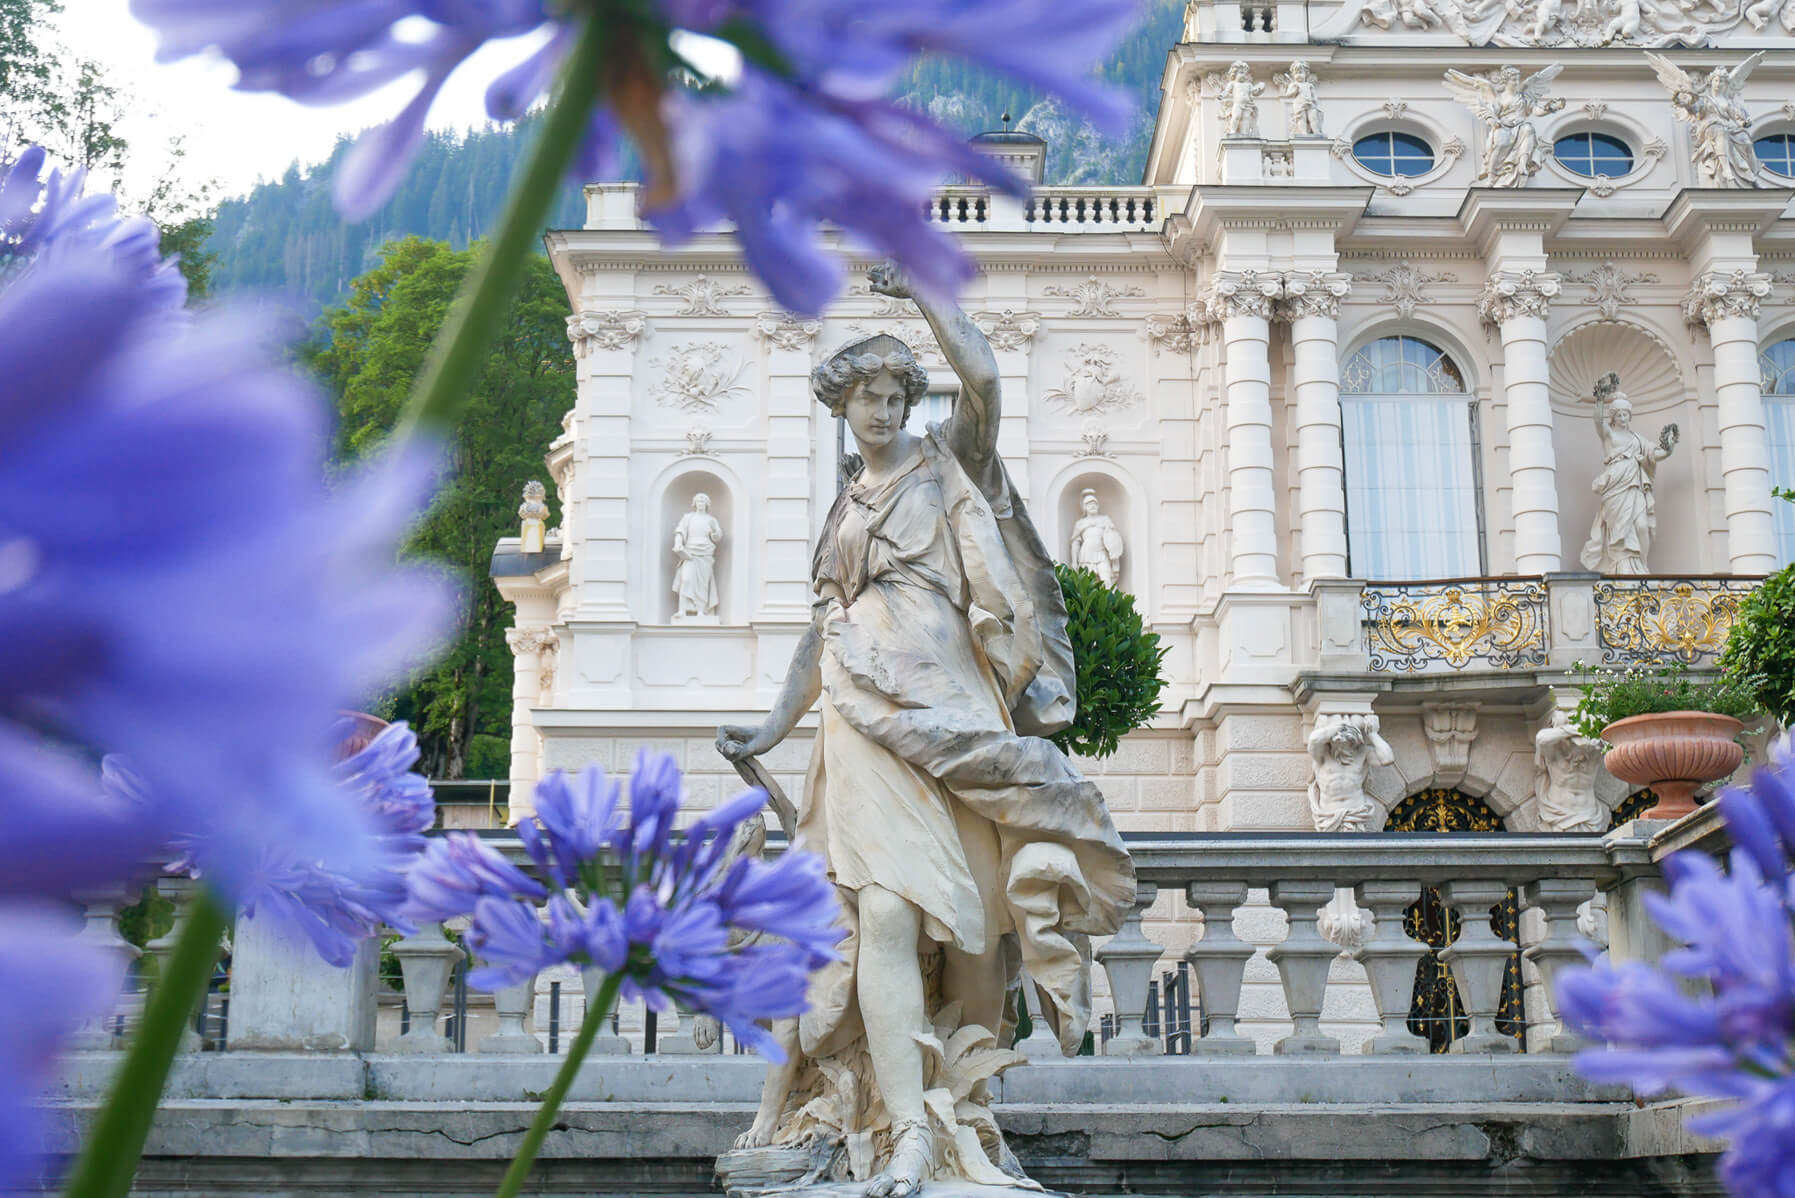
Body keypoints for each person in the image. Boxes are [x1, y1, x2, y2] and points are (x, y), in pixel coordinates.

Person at [716, 265, 1133, 1196]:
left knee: (980, 927)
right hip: (860, 723)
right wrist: (771, 726)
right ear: (843, 405)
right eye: (865, 394)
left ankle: (963, 1112)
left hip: (953, 713)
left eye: (894, 392)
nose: (879, 408)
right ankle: (907, 1127)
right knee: (886, 915)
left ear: (910, 398)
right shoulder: (842, 512)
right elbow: (819, 633)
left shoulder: (948, 463)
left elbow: (982, 379)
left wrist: (923, 295)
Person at [1579, 374, 1677, 575]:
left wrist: (1669, 449)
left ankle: (1641, 568)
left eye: (1626, 415)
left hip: (1634, 486)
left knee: (1642, 526)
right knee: (1619, 531)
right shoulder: (1609, 434)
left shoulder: (1637, 439)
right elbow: (1598, 421)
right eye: (1619, 415)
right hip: (1615, 487)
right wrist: (1599, 399)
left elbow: (1655, 453)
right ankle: (1619, 567)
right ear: (1613, 416)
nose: (1623, 419)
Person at [671, 493, 723, 620]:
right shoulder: (688, 517)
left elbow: (717, 538)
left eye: (703, 501)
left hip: (705, 553)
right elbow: (680, 532)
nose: (700, 503)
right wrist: (678, 543)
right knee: (686, 579)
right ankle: (682, 611)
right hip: (690, 552)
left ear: (707, 504)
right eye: (698, 501)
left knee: (703, 583)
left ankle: (701, 611)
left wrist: (715, 529)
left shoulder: (711, 519)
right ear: (694, 504)